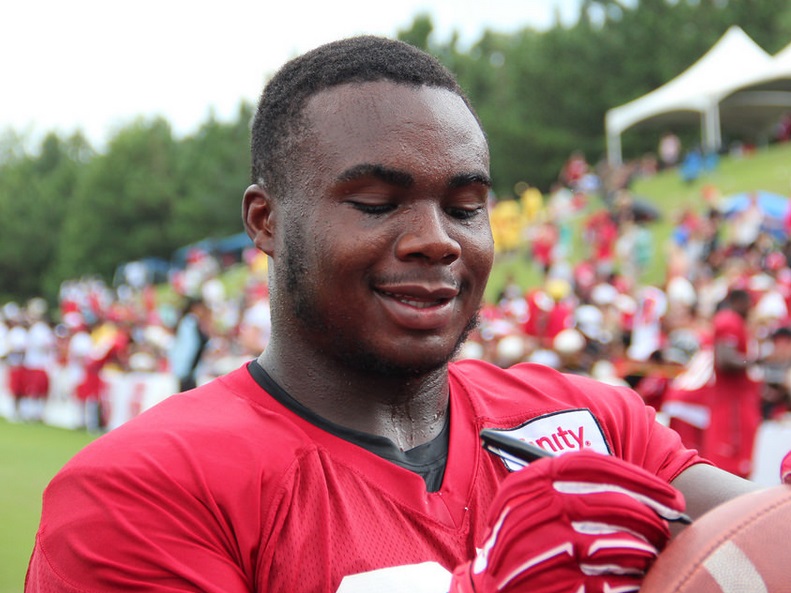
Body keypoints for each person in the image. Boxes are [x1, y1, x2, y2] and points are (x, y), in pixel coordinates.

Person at [27, 36, 765, 593]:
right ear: (265, 221)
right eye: (376, 203)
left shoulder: (594, 424)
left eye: (465, 207)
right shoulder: (142, 489)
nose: (436, 239)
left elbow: (769, 537)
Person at [703, 288, 763, 478]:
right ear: (740, 301)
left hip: (735, 400)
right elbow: (725, 360)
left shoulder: (734, 321)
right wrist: (756, 360)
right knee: (729, 464)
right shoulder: (729, 320)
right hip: (732, 403)